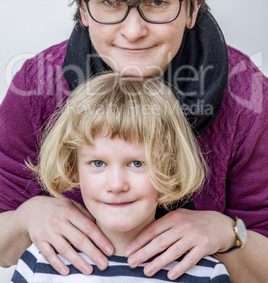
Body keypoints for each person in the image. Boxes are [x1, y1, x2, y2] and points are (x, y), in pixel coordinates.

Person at [0, 0, 267, 282]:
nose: (133, 31)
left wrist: (228, 234)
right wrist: (25, 217)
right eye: (109, 2)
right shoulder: (36, 87)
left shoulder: (249, 97)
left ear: (192, 7)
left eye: (158, 3)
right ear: (82, 9)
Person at [11, 73, 230, 282]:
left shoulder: (207, 272)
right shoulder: (39, 261)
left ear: (169, 167)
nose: (116, 185)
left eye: (137, 163)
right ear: (73, 166)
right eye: (98, 163)